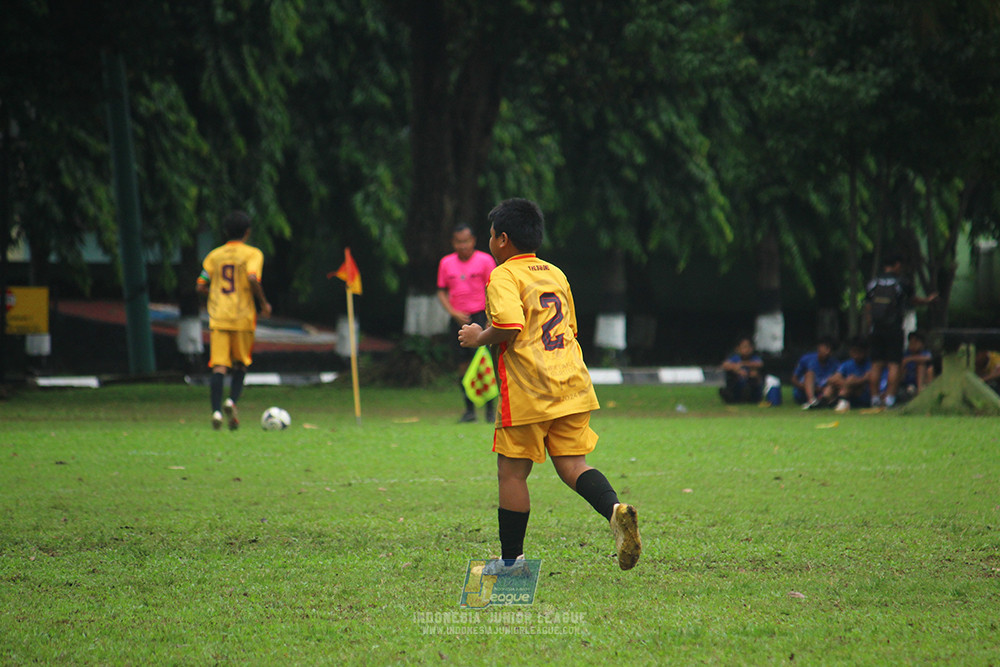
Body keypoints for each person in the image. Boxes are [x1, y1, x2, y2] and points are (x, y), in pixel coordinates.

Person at [457, 198, 641, 573]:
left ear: (503, 240)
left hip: (529, 388)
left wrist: (479, 337)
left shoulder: (505, 275)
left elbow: (509, 325)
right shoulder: (555, 273)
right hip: (571, 382)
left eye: (490, 236)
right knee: (573, 463)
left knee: (511, 473)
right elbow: (570, 329)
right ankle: (615, 511)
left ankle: (511, 562)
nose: (489, 242)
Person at [196, 210, 271, 430]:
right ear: (247, 232)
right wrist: (264, 303)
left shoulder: (214, 256)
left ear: (226, 231)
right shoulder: (253, 254)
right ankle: (231, 401)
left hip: (219, 317)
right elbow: (252, 278)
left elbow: (200, 285)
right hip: (243, 316)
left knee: (219, 366)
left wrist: (215, 292)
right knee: (240, 364)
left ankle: (217, 412)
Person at [437, 224, 497, 423]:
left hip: (481, 317)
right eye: (458, 242)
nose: (462, 246)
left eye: (466, 241)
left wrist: (490, 318)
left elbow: (494, 289)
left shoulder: (485, 260)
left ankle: (490, 411)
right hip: (458, 320)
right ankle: (469, 410)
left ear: (473, 240)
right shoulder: (446, 263)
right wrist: (453, 312)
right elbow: (441, 291)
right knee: (462, 365)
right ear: (453, 242)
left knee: (484, 363)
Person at [864, 253, 937, 408]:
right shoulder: (902, 282)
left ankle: (874, 398)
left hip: (876, 328)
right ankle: (889, 398)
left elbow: (868, 306)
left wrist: (870, 326)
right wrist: (927, 301)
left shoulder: (873, 283)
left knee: (876, 364)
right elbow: (912, 300)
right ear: (897, 265)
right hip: (893, 328)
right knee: (894, 363)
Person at [824, 337, 873, 413]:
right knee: (830, 388)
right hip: (846, 389)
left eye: (859, 352)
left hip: (862, 393)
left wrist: (852, 381)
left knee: (851, 380)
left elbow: (866, 379)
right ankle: (830, 403)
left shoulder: (870, 364)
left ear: (866, 352)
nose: (856, 355)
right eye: (854, 352)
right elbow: (833, 378)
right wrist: (847, 383)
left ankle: (841, 401)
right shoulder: (846, 364)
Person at [791, 337, 840, 409]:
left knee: (835, 380)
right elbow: (794, 379)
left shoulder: (835, 363)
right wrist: (805, 387)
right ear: (819, 347)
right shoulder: (806, 359)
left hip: (822, 392)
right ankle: (812, 400)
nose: (828, 352)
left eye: (830, 350)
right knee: (809, 374)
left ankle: (823, 401)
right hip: (804, 392)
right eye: (826, 348)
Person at [719, 336, 764, 404]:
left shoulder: (754, 358)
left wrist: (744, 366)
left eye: (749, 347)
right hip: (738, 386)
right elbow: (725, 365)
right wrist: (736, 369)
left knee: (753, 376)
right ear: (738, 349)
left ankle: (750, 398)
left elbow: (759, 364)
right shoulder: (735, 358)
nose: (747, 350)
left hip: (751, 387)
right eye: (744, 347)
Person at [899, 331, 935, 400]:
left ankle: (922, 390)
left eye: (916, 342)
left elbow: (928, 359)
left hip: (921, 382)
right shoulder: (906, 354)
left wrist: (911, 359)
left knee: (925, 367)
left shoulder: (925, 353)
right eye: (912, 342)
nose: (913, 345)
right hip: (907, 384)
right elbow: (903, 362)